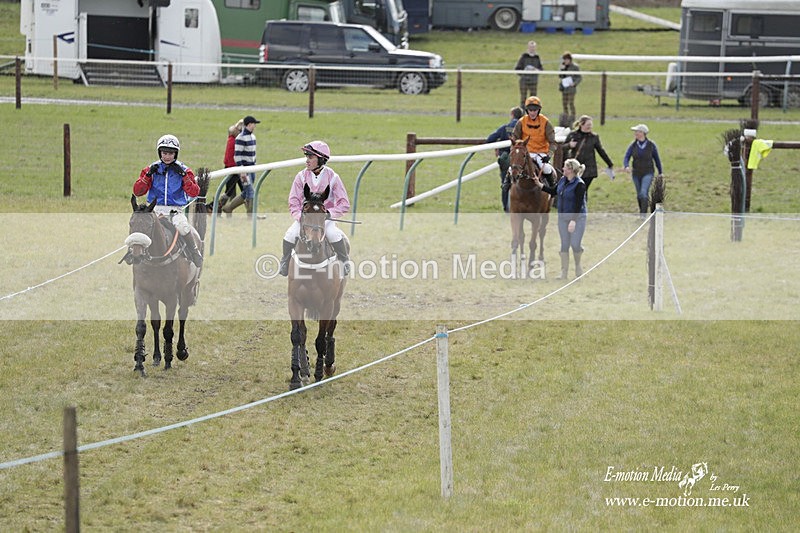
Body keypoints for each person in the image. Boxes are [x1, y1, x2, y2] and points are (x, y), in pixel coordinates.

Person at [278, 141, 351, 277]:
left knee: (334, 234)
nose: (307, 161)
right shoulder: (300, 176)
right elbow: (293, 200)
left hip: (325, 218)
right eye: (307, 157)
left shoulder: (333, 177)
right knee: (290, 234)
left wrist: (330, 214)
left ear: (321, 159)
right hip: (305, 218)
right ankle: (285, 261)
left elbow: (344, 203)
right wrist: (299, 216)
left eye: (311, 158)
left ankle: (344, 261)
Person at [132, 134, 203, 267]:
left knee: (183, 226)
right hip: (154, 210)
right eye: (164, 153)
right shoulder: (150, 169)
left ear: (176, 154)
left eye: (171, 153)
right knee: (139, 225)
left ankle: (194, 252)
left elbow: (194, 192)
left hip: (174, 211)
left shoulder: (185, 170)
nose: (167, 156)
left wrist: (184, 176)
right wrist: (147, 176)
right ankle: (132, 252)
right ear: (160, 153)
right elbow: (137, 191)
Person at [539, 158, 587, 280]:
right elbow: (554, 191)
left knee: (575, 244)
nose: (563, 169)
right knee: (564, 245)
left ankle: (577, 266)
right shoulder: (562, 180)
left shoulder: (579, 185)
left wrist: (573, 221)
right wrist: (539, 185)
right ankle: (564, 272)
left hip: (577, 218)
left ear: (571, 170)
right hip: (563, 218)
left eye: (565, 167)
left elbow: (578, 204)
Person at [511, 95, 557, 188]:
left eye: (535, 110)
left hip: (541, 153)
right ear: (527, 110)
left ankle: (552, 189)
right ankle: (507, 186)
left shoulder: (545, 122)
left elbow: (553, 142)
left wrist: (549, 155)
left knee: (547, 169)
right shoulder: (521, 121)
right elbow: (515, 138)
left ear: (538, 110)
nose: (532, 113)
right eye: (530, 110)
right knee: (510, 169)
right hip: (525, 152)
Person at [564, 115, 614, 198]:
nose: (590, 127)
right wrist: (569, 145)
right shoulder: (573, 135)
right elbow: (562, 148)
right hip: (575, 167)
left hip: (589, 169)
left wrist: (609, 163)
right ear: (581, 125)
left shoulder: (594, 137)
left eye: (591, 125)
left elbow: (601, 151)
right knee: (575, 189)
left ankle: (582, 208)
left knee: (583, 189)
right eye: (588, 125)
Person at [486, 106, 523, 212]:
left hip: (506, 159)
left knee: (505, 183)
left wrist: (498, 146)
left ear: (512, 115)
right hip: (521, 160)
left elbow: (490, 139)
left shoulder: (505, 128)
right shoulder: (524, 128)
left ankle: (506, 208)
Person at [622, 123, 664, 216]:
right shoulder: (633, 145)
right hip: (636, 173)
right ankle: (642, 212)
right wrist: (626, 166)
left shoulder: (651, 145)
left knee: (643, 193)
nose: (635, 133)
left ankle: (643, 216)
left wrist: (660, 172)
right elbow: (627, 156)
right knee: (639, 195)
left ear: (642, 133)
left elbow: (657, 159)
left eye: (637, 132)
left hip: (648, 172)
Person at [223, 115, 260, 217]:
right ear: (249, 124)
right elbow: (237, 156)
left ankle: (228, 208)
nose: (255, 126)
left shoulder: (253, 137)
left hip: (252, 169)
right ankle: (251, 216)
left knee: (246, 192)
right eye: (254, 124)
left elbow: (253, 154)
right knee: (250, 192)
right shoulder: (240, 138)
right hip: (245, 170)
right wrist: (242, 171)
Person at [218, 118, 244, 213]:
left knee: (244, 191)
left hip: (234, 169)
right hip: (233, 169)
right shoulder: (234, 141)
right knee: (230, 192)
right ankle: (216, 208)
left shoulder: (232, 139)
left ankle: (220, 209)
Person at [514, 41, 543, 108]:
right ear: (528, 47)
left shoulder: (537, 57)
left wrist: (536, 70)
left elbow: (541, 69)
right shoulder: (523, 57)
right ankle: (523, 113)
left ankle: (533, 113)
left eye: (533, 47)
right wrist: (524, 72)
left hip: (534, 81)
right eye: (530, 47)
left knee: (533, 99)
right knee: (523, 98)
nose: (532, 49)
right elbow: (517, 69)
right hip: (524, 81)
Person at [558, 51, 581, 128]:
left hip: (571, 88)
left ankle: (573, 118)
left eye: (567, 59)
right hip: (564, 88)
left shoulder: (575, 67)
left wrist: (574, 83)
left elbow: (579, 77)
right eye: (564, 59)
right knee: (564, 103)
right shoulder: (563, 67)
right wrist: (562, 70)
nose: (565, 61)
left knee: (571, 103)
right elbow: (560, 76)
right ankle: (566, 117)